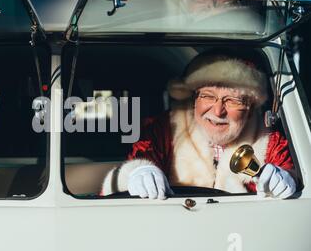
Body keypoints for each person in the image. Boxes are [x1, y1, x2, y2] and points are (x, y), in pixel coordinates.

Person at [100, 51, 298, 199]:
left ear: (250, 106)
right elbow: (143, 155)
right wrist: (139, 172)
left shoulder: (269, 139)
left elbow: (287, 168)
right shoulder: (166, 129)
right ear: (193, 98)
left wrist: (287, 179)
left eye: (232, 100)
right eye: (207, 96)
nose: (218, 111)